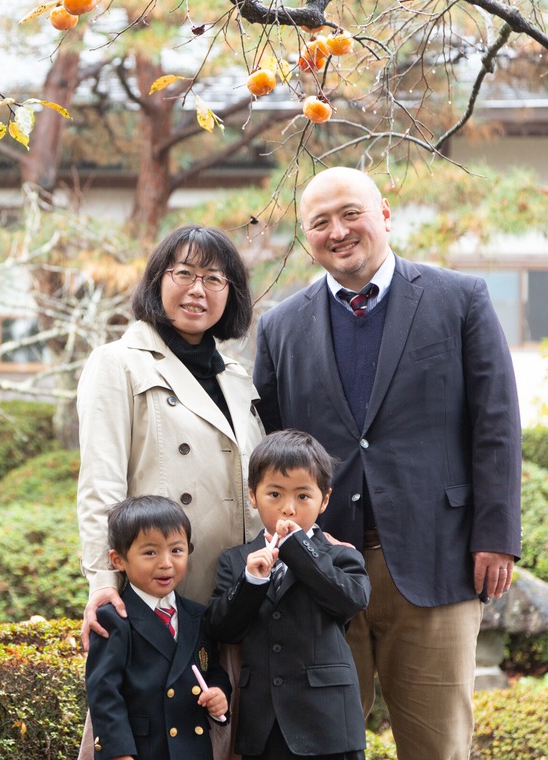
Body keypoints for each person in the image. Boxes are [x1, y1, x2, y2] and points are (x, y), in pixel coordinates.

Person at [252, 166, 523, 760]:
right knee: (321, 747)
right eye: (320, 222)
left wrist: (496, 536)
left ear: (384, 215)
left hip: (438, 560)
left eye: (351, 213)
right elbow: (270, 445)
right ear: (306, 238)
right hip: (319, 572)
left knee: (437, 746)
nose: (339, 231)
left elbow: (496, 425)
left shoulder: (459, 299)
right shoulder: (279, 328)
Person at [77, 224, 265, 760]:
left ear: (232, 294)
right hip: (159, 601)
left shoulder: (238, 377)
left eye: (214, 278)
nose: (197, 290)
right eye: (183, 273)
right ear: (158, 280)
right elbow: (101, 484)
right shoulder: (117, 363)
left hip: (236, 598)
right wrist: (101, 582)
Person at [206, 430, 369, 760]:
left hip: (329, 723)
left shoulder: (340, 555)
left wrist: (299, 550)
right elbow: (222, 629)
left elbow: (351, 601)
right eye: (275, 494)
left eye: (303, 497)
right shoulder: (236, 560)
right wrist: (251, 581)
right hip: (263, 724)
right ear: (253, 496)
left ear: (325, 500)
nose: (288, 509)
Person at [86, 495, 232, 760]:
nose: (166, 563)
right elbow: (104, 694)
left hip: (193, 750)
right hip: (141, 751)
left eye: (176, 550)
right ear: (118, 560)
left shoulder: (197, 615)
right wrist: (119, 754)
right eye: (150, 552)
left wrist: (220, 695)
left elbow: (213, 671)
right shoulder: (114, 618)